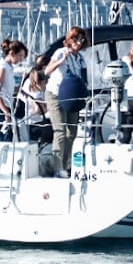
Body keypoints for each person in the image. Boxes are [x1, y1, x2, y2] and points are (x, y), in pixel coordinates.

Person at [46, 26, 90, 177]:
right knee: (60, 131)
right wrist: (61, 61)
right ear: (70, 40)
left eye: (81, 40)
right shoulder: (60, 52)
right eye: (76, 39)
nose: (78, 42)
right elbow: (47, 70)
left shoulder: (81, 58)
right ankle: (58, 167)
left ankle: (66, 164)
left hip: (72, 97)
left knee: (72, 132)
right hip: (56, 95)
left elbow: (84, 78)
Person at [0, 38, 27, 141]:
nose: (21, 59)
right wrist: (6, 112)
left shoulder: (8, 68)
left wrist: (21, 90)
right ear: (12, 53)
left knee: (9, 139)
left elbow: (8, 89)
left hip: (5, 107)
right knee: (3, 140)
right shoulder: (2, 67)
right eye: (20, 56)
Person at [17, 55, 53, 145]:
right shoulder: (37, 86)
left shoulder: (29, 79)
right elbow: (39, 109)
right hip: (35, 123)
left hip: (28, 121)